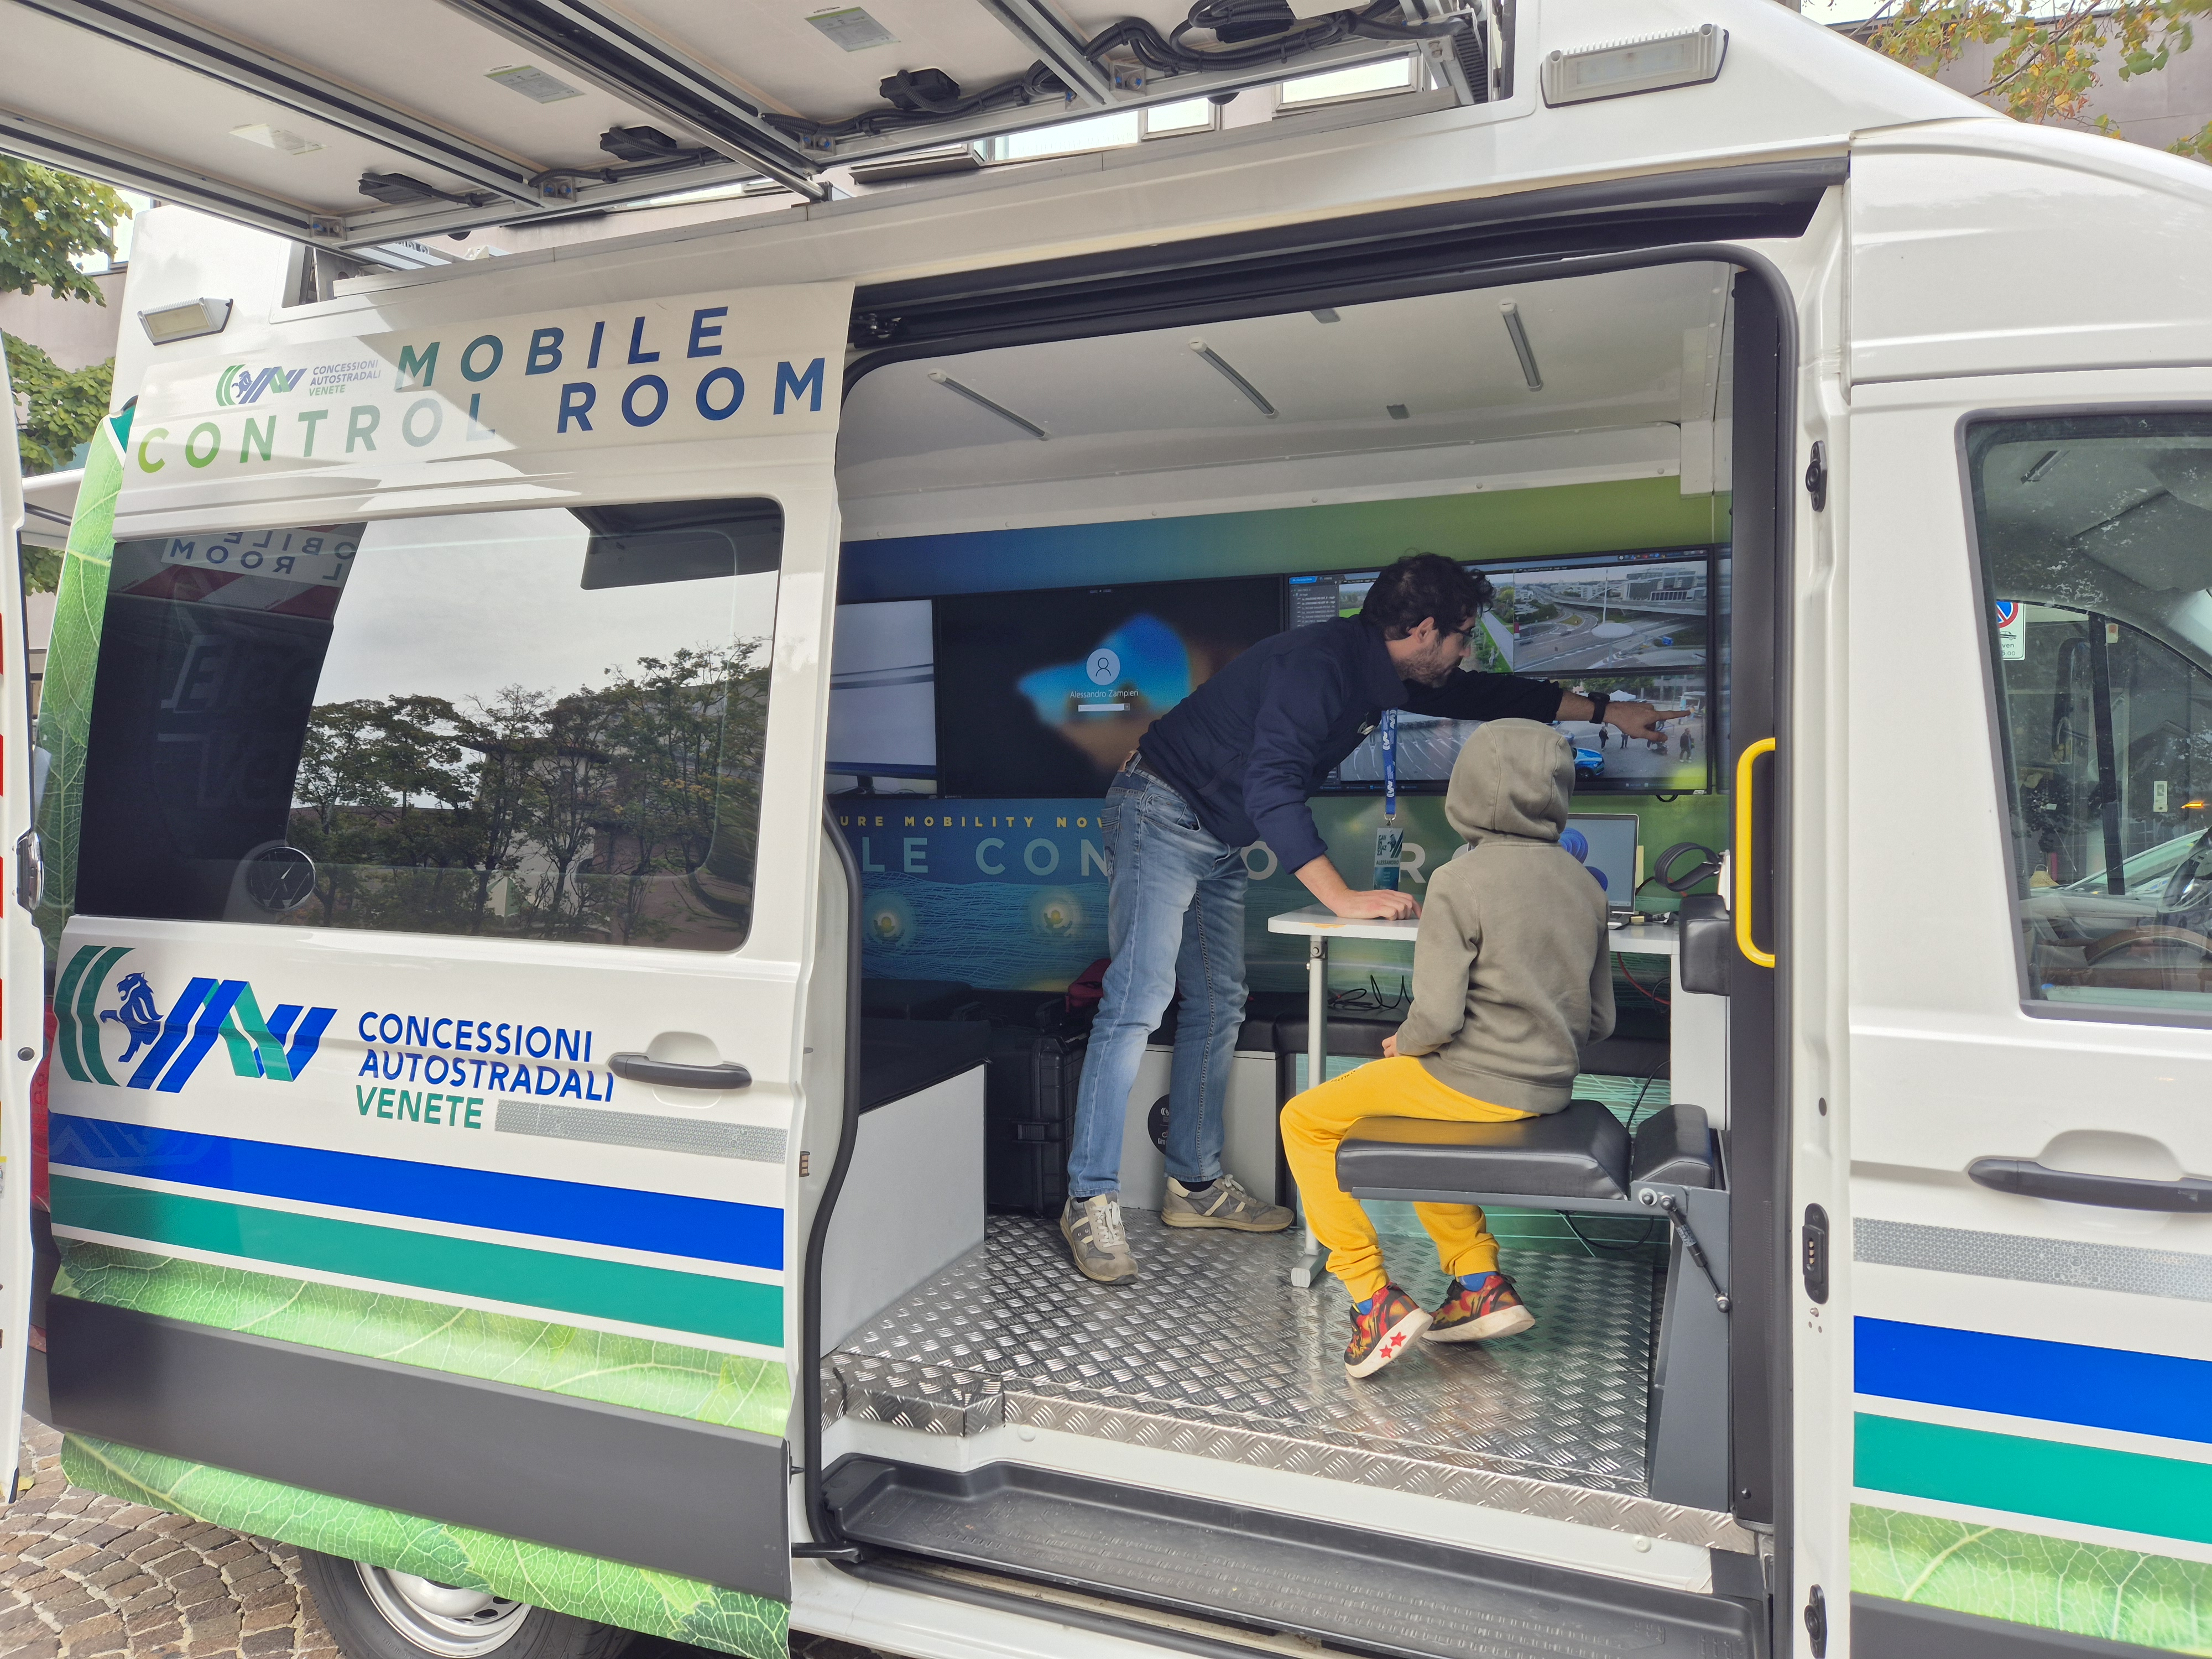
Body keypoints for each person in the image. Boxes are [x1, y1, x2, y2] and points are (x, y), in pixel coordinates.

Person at [1060, 553, 1675, 1284]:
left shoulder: (1384, 668)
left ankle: (1193, 1185)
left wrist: (1608, 712)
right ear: (1424, 630)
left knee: (1219, 1001)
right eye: (1463, 636)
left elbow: (1485, 693)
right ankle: (1088, 1199)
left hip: (1217, 834)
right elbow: (1271, 788)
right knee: (1137, 1001)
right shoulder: (1317, 666)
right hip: (1160, 812)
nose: (1466, 652)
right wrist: (1341, 898)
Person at [1279, 718, 1616, 1378]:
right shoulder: (1585, 885)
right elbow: (1599, 1019)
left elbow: (1434, 1017)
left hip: (1471, 1080)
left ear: (1470, 789)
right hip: (1548, 1089)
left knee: (1305, 1120)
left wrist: (1403, 1044)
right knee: (1420, 1128)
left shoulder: (1461, 879)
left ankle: (1371, 1297)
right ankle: (1478, 1283)